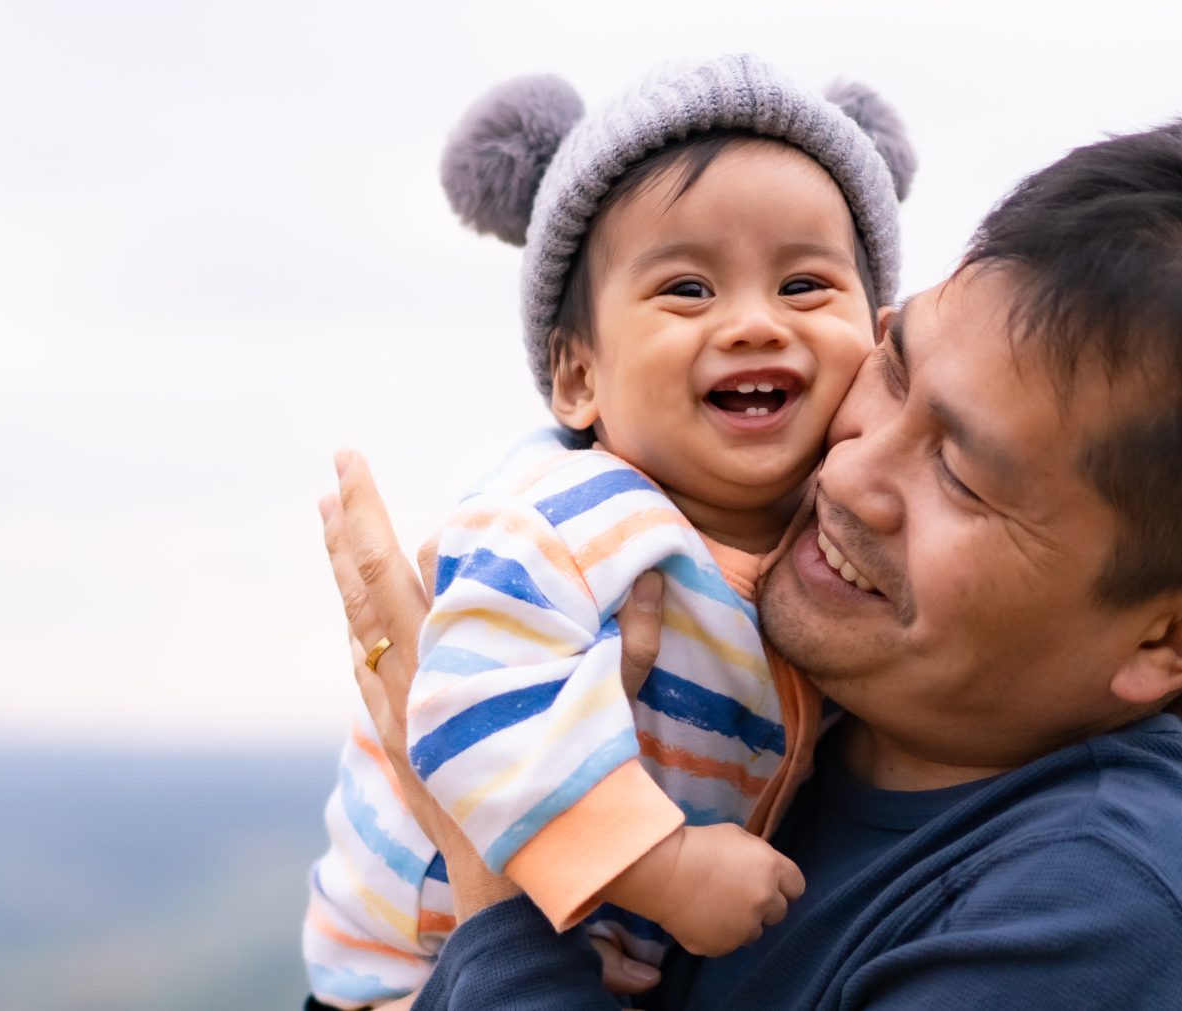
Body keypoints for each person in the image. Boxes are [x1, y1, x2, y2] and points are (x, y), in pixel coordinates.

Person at [317, 116, 1182, 1009]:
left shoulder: (1098, 914)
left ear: (1172, 635)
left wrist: (494, 884)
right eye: (896, 369)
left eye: (963, 480)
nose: (853, 476)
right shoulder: (839, 683)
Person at [301, 55, 917, 1008]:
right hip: (412, 964)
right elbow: (469, 705)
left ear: (877, 339)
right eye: (687, 290)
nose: (754, 322)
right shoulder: (565, 516)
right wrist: (660, 866)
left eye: (803, 286)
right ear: (578, 376)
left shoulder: (838, 540)